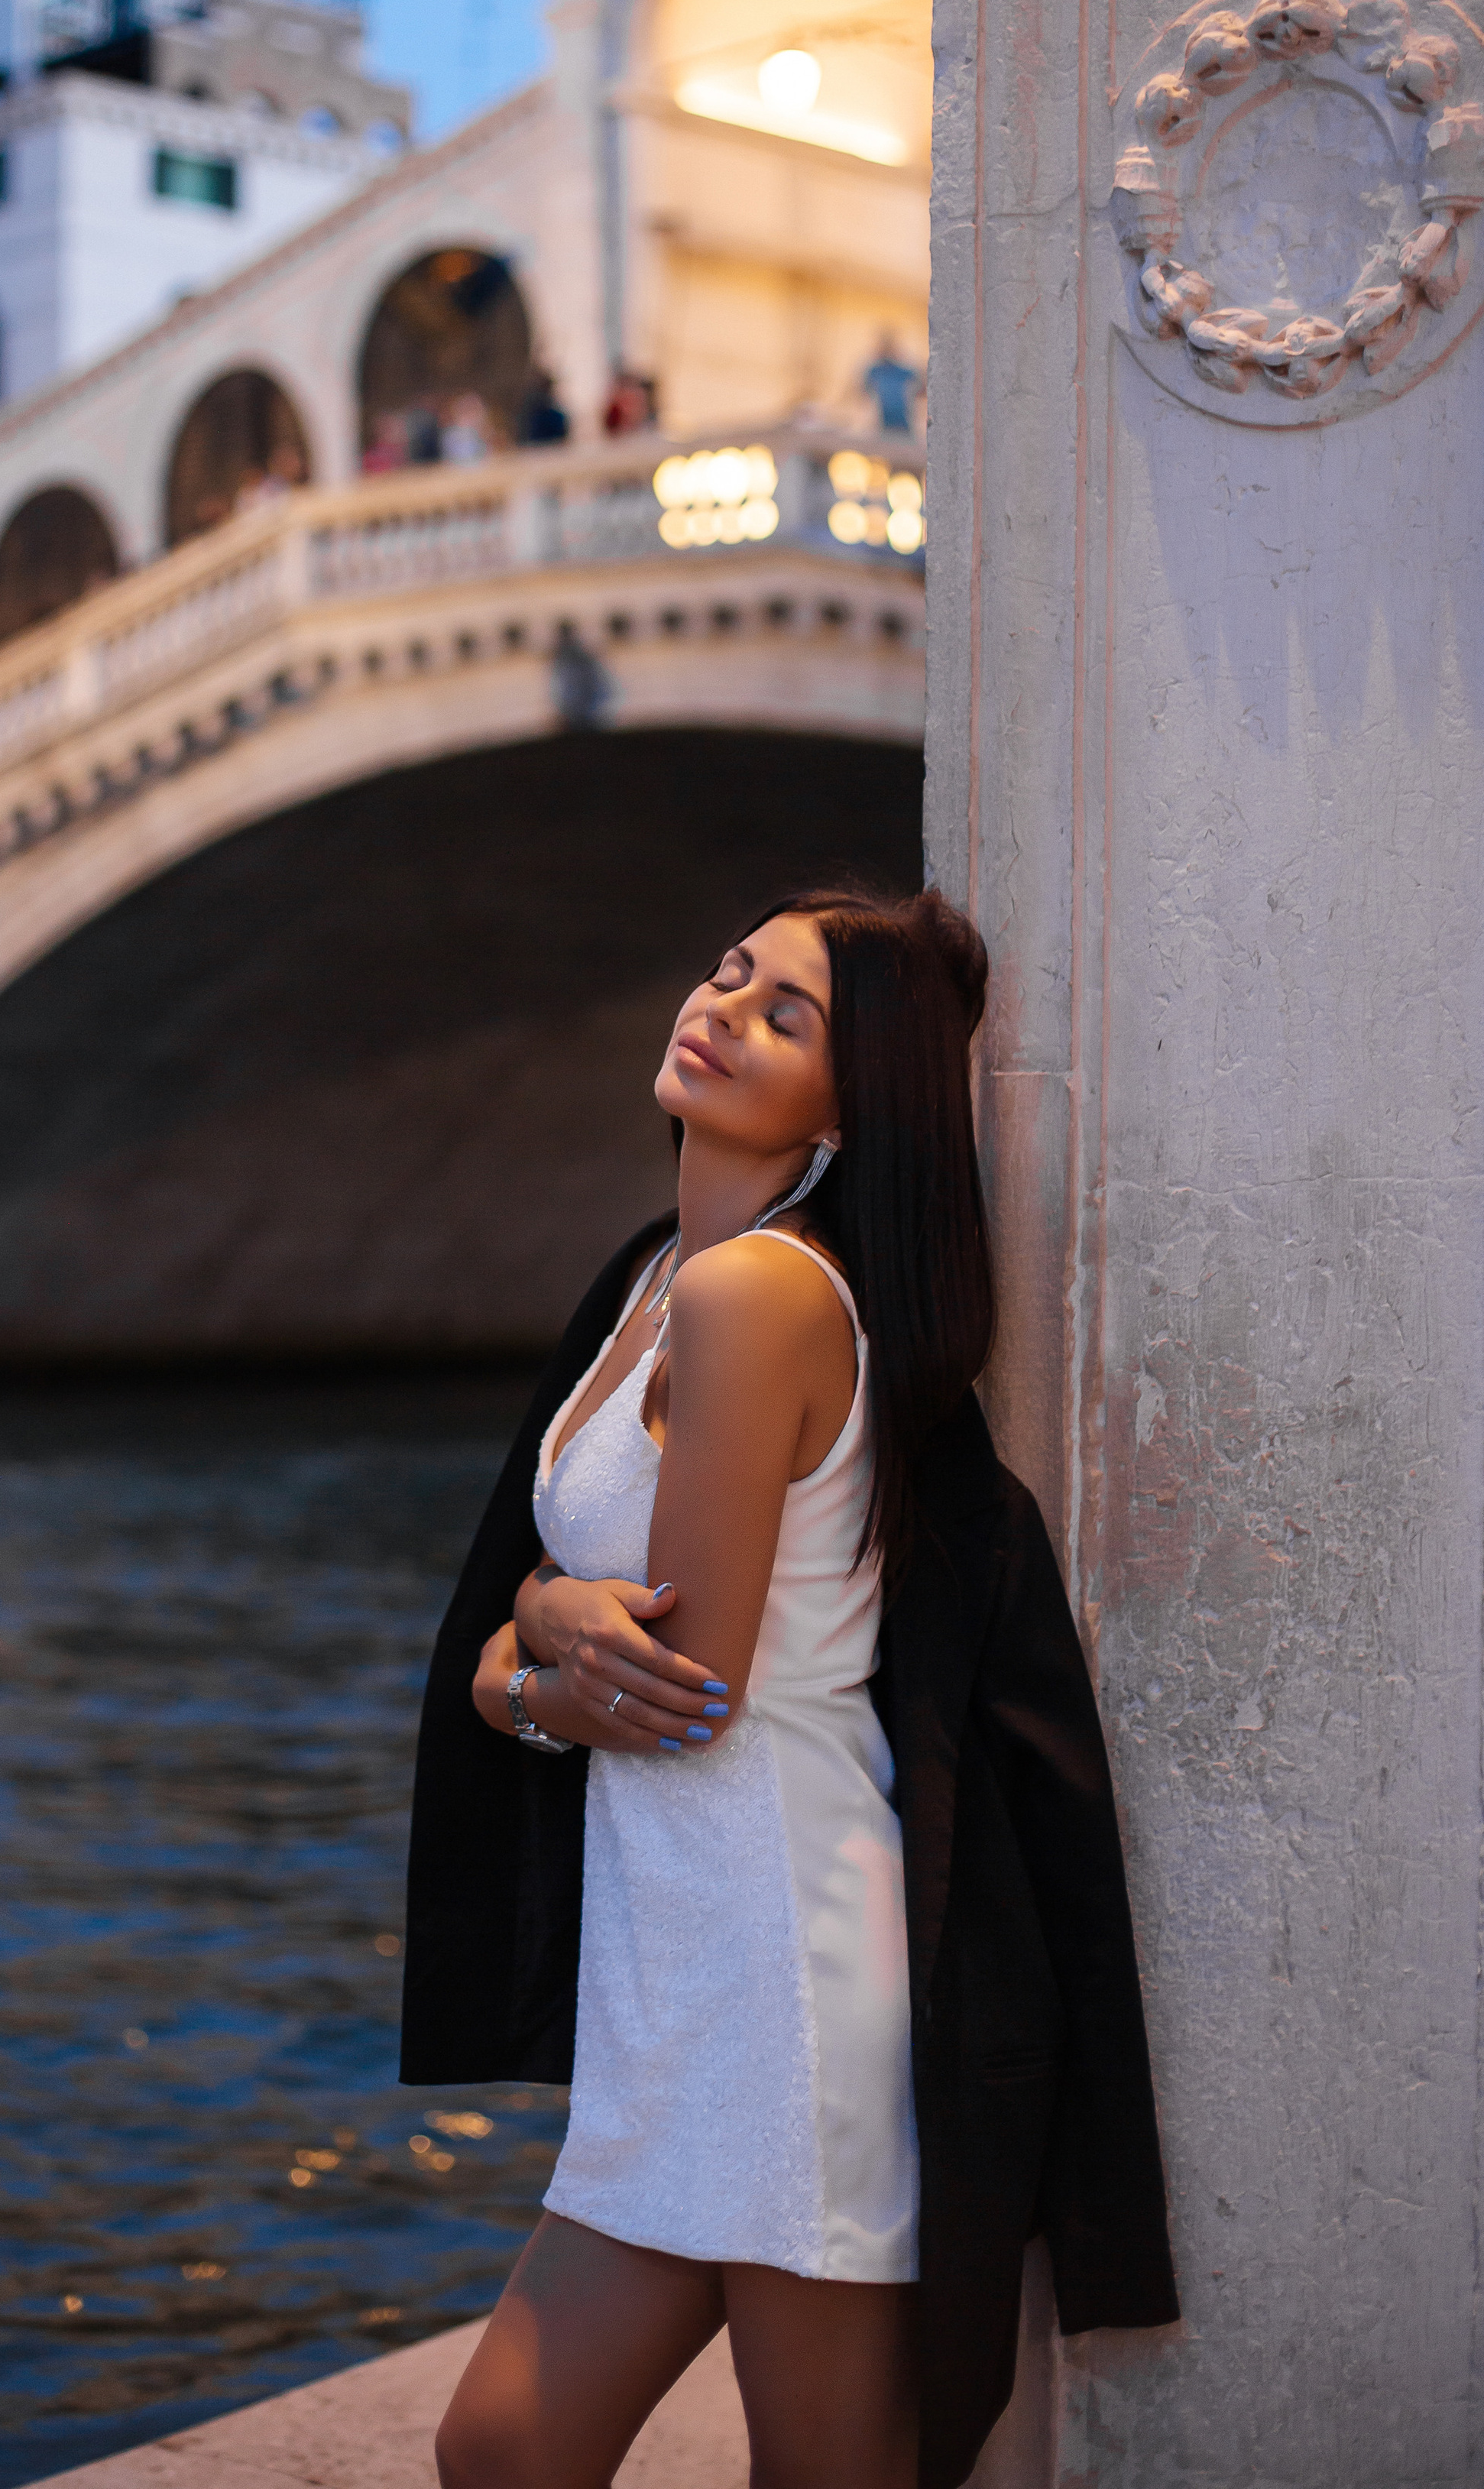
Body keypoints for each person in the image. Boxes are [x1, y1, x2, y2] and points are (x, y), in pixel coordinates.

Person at [404, 887, 1177, 2489]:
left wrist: (518, 1663)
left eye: (785, 1015)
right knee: (501, 2452)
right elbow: (563, 1614)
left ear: (848, 1105)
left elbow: (681, 1684)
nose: (721, 1009)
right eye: (729, 972)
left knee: (823, 2473)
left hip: (779, 1967)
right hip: (676, 1970)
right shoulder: (656, 1276)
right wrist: (538, 1623)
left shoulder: (753, 1296)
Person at [861, 334, 925, 438]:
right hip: (883, 424)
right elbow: (863, 390)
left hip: (903, 423)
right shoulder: (875, 371)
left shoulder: (903, 371)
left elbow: (921, 384)